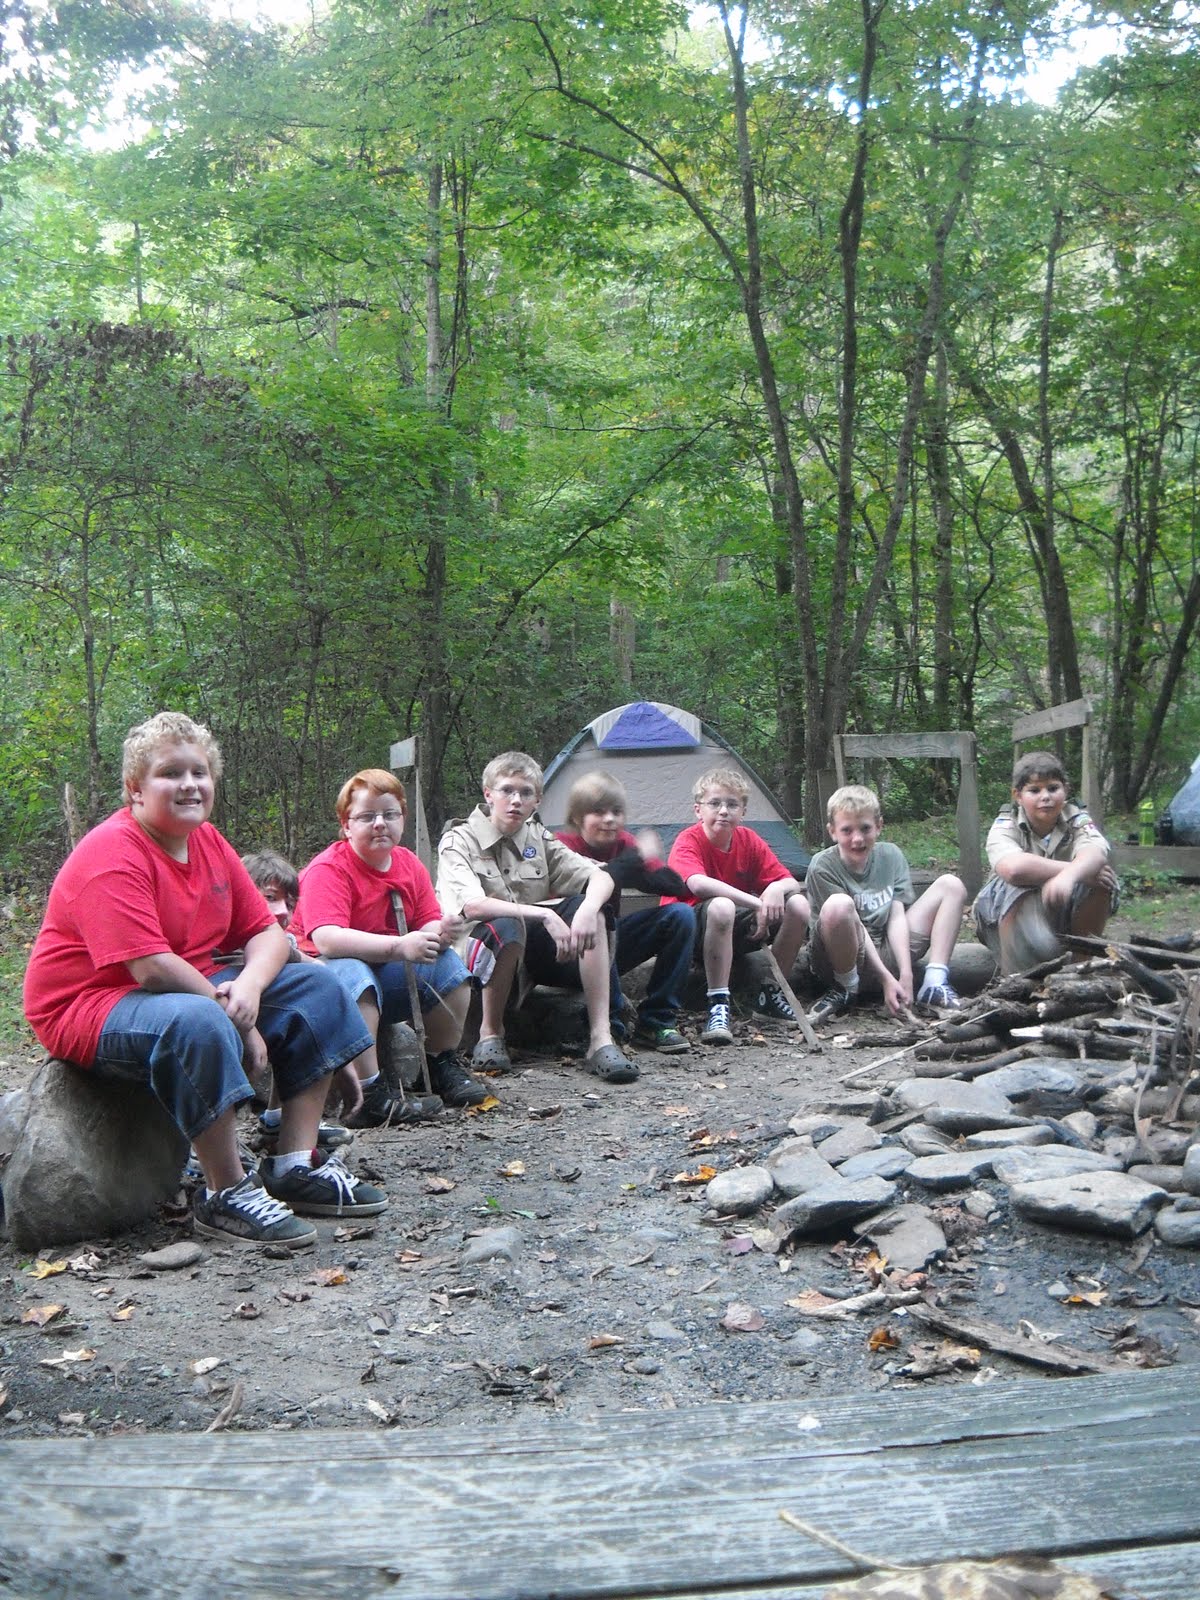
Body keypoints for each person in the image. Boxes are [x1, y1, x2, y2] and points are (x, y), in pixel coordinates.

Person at [22, 712, 386, 1250]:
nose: (190, 784)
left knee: (320, 986)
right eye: (171, 773)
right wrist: (238, 1020)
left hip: (189, 982)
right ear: (136, 790)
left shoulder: (209, 843)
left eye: (200, 772)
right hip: (89, 1002)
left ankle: (293, 1163)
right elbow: (149, 969)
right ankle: (226, 1192)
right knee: (198, 1019)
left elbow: (267, 933)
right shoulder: (112, 852)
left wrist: (251, 992)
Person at [291, 769, 485, 1120]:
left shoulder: (409, 864)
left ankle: (441, 1063)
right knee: (354, 972)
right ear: (346, 824)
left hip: (387, 977)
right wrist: (400, 946)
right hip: (325, 981)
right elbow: (328, 939)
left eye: (389, 814)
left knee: (450, 969)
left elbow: (426, 918)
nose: (380, 824)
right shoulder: (329, 869)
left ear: (402, 818)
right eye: (367, 816)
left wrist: (439, 932)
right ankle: (370, 1095)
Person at [436, 751, 635, 1084]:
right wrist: (545, 916)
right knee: (507, 922)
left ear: (537, 800)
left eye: (525, 793)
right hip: (476, 957)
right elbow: (473, 905)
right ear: (488, 794)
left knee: (593, 912)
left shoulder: (538, 839)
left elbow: (601, 877)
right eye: (506, 790)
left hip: (532, 954)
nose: (515, 800)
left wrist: (587, 909)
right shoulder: (459, 840)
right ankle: (490, 1033)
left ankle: (601, 1039)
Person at [664, 767, 809, 1045]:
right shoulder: (688, 840)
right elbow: (698, 885)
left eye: (732, 804)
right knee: (722, 906)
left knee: (799, 906)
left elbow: (789, 881)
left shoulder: (748, 840)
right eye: (715, 803)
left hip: (736, 927)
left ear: (743, 812)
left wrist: (776, 888)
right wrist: (758, 902)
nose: (723, 811)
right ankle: (718, 1003)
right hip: (688, 931)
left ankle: (771, 992)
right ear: (698, 810)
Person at [555, 772, 695, 1055]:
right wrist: (633, 860)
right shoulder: (561, 846)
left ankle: (656, 1021)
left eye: (616, 812)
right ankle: (610, 1025)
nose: (610, 819)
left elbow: (676, 886)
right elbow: (595, 882)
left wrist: (642, 866)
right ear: (578, 817)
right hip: (567, 952)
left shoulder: (624, 845)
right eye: (598, 811)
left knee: (680, 916)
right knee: (601, 917)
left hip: (611, 946)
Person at [804, 783, 966, 1022]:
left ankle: (934, 983)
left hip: (886, 946)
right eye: (847, 830)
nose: (857, 839)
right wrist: (886, 978)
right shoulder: (823, 866)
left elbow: (897, 915)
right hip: (843, 958)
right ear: (833, 832)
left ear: (879, 826)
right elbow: (854, 925)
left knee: (951, 885)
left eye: (865, 828)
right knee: (839, 905)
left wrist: (906, 973)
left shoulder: (891, 855)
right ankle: (846, 989)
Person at [237, 848, 356, 1150]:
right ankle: (215, 1150)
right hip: (231, 1024)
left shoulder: (282, 941)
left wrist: (344, 1062)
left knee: (308, 1003)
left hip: (267, 1027)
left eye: (289, 904)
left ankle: (280, 1121)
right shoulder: (227, 941)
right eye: (269, 898)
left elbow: (316, 971)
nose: (282, 913)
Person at [974, 750, 1117, 976]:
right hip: (1000, 917)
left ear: (1065, 790)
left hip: (1060, 911)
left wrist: (1069, 878)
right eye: (1034, 790)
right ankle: (1014, 976)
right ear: (1018, 795)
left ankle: (1081, 964)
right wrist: (1070, 871)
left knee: (1102, 878)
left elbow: (1096, 851)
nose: (1045, 796)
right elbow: (1013, 869)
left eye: (1053, 788)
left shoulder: (1076, 818)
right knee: (1017, 884)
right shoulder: (1005, 823)